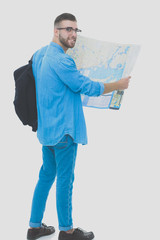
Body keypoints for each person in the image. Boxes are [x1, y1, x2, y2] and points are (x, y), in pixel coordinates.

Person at [27, 13, 130, 240]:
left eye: (75, 30)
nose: (73, 34)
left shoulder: (39, 55)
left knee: (46, 176)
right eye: (68, 29)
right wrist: (117, 84)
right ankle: (67, 230)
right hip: (64, 131)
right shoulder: (62, 60)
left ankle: (34, 227)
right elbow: (85, 86)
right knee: (65, 180)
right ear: (56, 31)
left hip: (47, 130)